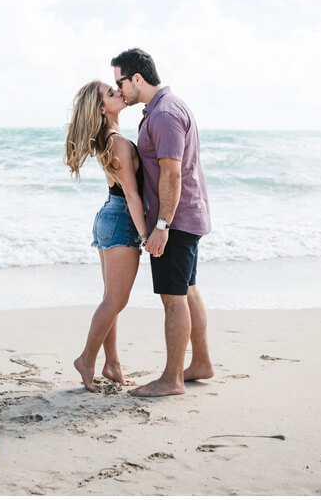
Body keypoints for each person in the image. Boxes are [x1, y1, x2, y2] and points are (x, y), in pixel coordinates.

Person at [111, 48, 214, 397]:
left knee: (173, 299)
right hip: (187, 216)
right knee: (187, 291)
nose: (120, 90)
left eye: (120, 82)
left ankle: (172, 379)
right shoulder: (164, 108)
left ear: (137, 78)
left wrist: (162, 225)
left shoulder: (165, 114)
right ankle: (200, 363)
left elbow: (171, 175)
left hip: (176, 220)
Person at [65, 80, 148, 391]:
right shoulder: (117, 143)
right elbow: (132, 194)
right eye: (111, 94)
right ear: (102, 108)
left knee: (111, 300)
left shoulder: (110, 139)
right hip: (121, 218)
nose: (119, 93)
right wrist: (147, 236)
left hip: (110, 216)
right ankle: (86, 359)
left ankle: (112, 364)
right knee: (116, 300)